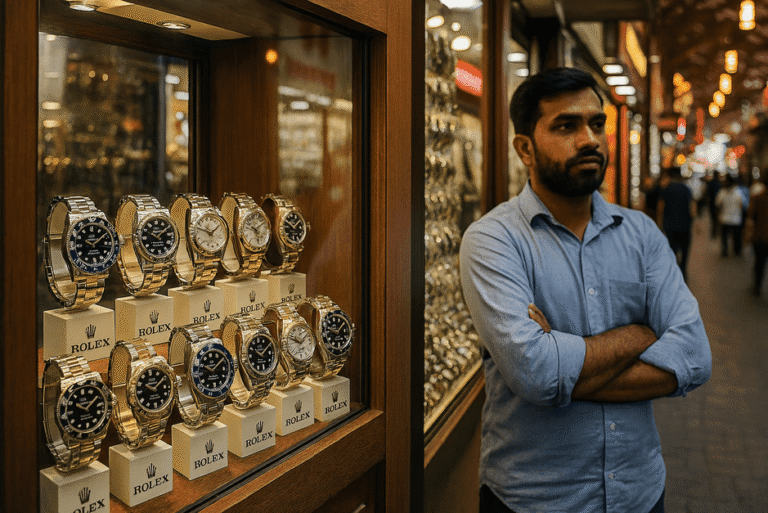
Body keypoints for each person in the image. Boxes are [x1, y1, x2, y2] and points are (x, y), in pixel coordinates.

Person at [459, 67, 711, 513]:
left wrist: (561, 366)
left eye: (597, 124)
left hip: (639, 492)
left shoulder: (642, 235)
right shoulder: (494, 240)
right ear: (524, 149)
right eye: (566, 126)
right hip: (534, 499)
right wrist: (640, 334)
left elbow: (694, 356)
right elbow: (535, 373)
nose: (590, 139)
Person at [657, 166, 696, 280]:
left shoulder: (667, 189)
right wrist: (691, 221)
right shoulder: (686, 189)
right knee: (684, 252)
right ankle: (683, 273)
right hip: (684, 227)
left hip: (669, 227)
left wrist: (659, 224)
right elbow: (692, 209)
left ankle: (673, 275)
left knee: (671, 252)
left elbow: (660, 208)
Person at [746, 174, 768, 295]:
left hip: (760, 236)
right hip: (761, 235)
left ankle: (757, 285)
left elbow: (751, 216)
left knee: (759, 262)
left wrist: (748, 233)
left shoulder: (758, 198)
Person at [715, 173, 744, 256]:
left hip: (724, 218)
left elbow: (717, 203)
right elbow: (742, 204)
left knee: (724, 236)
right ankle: (737, 251)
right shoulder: (738, 192)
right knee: (736, 236)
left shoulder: (722, 192)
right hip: (736, 219)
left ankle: (725, 250)